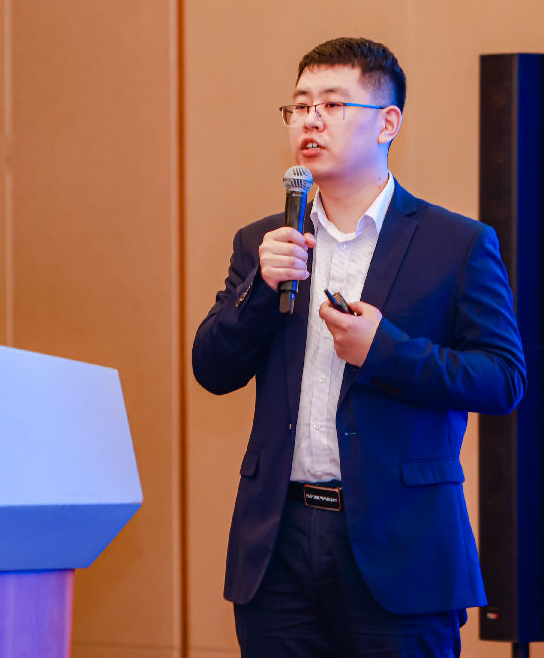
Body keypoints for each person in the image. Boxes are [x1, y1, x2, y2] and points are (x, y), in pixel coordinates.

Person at [191, 37, 526, 657]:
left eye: (333, 104)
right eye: (300, 106)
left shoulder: (455, 244)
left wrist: (386, 351)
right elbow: (211, 369)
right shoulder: (264, 242)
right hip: (278, 543)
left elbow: (503, 379)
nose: (311, 120)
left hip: (402, 545)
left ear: (387, 123)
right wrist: (259, 290)